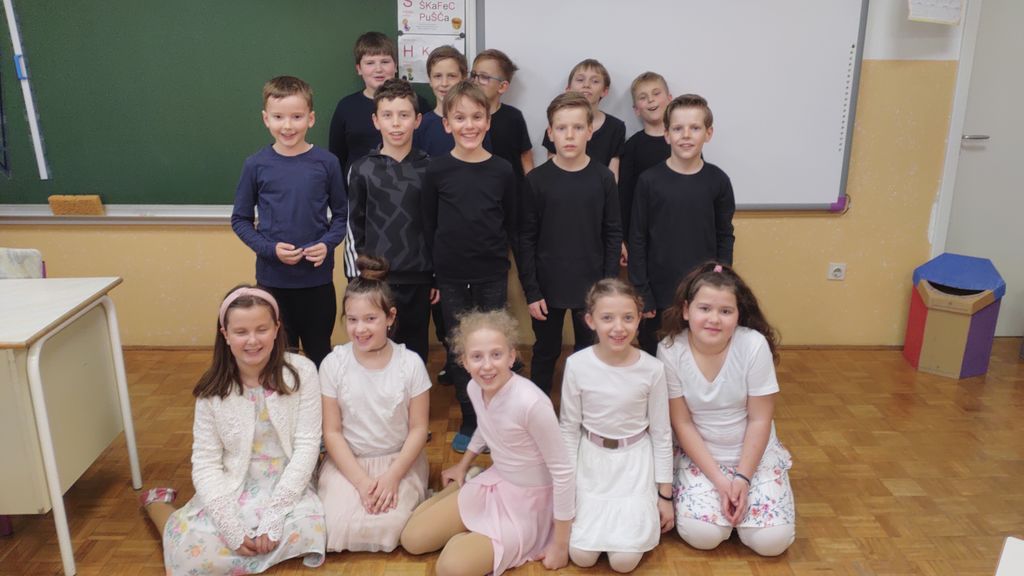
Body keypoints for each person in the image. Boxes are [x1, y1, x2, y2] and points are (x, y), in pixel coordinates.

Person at [140, 286, 326, 574]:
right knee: (187, 549)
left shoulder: (302, 371)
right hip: (235, 483)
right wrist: (231, 528)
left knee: (311, 530)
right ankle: (156, 504)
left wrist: (275, 514)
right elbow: (205, 463)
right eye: (241, 332)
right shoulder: (212, 391)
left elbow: (308, 446)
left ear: (277, 329)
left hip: (288, 481)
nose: (252, 340)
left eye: (262, 329)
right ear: (225, 334)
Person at [399, 310, 574, 576]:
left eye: (496, 354)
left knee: (450, 568)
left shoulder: (532, 403)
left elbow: (564, 473)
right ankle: (470, 485)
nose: (487, 366)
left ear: (511, 356)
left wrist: (560, 545)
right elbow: (486, 424)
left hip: (528, 504)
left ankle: (473, 526)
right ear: (464, 361)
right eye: (477, 357)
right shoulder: (474, 387)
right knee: (412, 539)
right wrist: (462, 464)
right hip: (497, 482)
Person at [658, 262, 795, 556]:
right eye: (704, 308)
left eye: (725, 311)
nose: (714, 319)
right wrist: (721, 481)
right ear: (686, 310)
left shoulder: (753, 345)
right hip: (702, 455)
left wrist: (743, 478)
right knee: (703, 535)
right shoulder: (670, 350)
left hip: (752, 455)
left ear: (738, 315)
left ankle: (748, 509)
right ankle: (728, 512)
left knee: (772, 542)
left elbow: (760, 419)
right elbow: (682, 423)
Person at [421, 80, 518, 452]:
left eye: (477, 117)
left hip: (491, 273)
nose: (469, 125)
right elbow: (429, 225)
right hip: (450, 276)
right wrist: (434, 274)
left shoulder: (502, 170)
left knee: (493, 347)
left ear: (488, 121)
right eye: (460, 118)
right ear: (447, 124)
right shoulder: (437, 170)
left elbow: (511, 222)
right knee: (461, 349)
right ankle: (470, 418)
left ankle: (496, 417)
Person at [317, 255, 431, 553]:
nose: (360, 329)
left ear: (390, 318)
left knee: (390, 525)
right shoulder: (333, 364)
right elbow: (332, 432)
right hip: (348, 462)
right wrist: (361, 482)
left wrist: (392, 477)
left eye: (370, 319)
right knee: (334, 526)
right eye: (352, 319)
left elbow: (419, 429)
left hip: (398, 461)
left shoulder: (410, 363)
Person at [231, 75, 346, 367]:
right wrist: (270, 249)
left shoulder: (327, 163)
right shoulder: (255, 165)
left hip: (317, 281)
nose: (287, 125)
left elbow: (341, 216)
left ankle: (322, 400)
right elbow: (240, 220)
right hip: (273, 281)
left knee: (320, 354)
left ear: (311, 118)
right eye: (278, 117)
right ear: (265, 119)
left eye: (296, 117)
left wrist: (327, 244)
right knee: (282, 358)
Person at [559, 279, 673, 572]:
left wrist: (664, 495)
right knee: (582, 557)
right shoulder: (577, 365)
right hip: (591, 463)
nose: (618, 328)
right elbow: (569, 429)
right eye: (607, 318)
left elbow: (661, 433)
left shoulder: (653, 368)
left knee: (624, 562)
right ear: (590, 321)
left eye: (628, 318)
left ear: (640, 318)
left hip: (635, 465)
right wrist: (566, 488)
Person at [518, 92, 621, 395]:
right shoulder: (536, 180)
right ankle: (538, 409)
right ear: (550, 133)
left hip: (592, 288)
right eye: (562, 128)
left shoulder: (603, 178)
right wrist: (532, 291)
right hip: (546, 288)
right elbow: (525, 238)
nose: (570, 135)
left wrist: (607, 288)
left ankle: (585, 409)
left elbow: (613, 234)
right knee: (546, 350)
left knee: (588, 353)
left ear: (590, 131)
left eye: (578, 127)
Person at [629, 94, 735, 355]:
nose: (686, 135)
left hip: (702, 291)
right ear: (666, 135)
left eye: (695, 128)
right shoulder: (649, 181)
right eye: (677, 128)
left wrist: (720, 279)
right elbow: (638, 238)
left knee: (696, 355)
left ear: (708, 133)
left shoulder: (718, 181)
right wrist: (642, 291)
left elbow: (725, 234)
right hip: (658, 293)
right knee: (657, 356)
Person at [347, 78, 437, 363]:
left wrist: (437, 276)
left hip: (419, 278)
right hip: (376, 279)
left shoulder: (431, 168)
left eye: (404, 115)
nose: (396, 123)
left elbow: (437, 226)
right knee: (376, 349)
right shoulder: (362, 169)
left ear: (417, 120)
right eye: (387, 115)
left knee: (415, 352)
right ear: (376, 121)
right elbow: (353, 226)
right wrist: (356, 278)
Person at [330, 31, 429, 278]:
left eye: (385, 61)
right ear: (358, 68)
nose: (378, 68)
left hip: (410, 200)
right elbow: (337, 156)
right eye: (370, 62)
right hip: (367, 201)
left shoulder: (419, 103)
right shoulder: (346, 107)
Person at [619, 72, 672, 267]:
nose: (651, 100)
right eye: (643, 97)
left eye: (656, 93)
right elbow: (624, 196)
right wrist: (623, 239)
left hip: (680, 228)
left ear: (670, 99)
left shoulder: (684, 143)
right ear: (636, 110)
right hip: (643, 235)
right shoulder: (631, 147)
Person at [541, 59, 625, 180]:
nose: (586, 85)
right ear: (568, 88)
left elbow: (613, 175)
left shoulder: (616, 127)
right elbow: (552, 169)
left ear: (605, 91)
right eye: (580, 80)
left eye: (595, 81)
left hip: (600, 189)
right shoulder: (557, 125)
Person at [471, 48, 534, 183]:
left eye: (484, 77)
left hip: (511, 189)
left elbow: (525, 156)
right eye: (473, 75)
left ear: (502, 87)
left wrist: (531, 188)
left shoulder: (513, 117)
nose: (476, 81)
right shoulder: (467, 119)